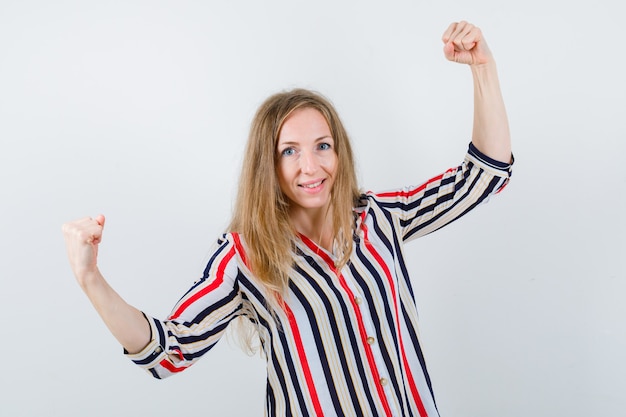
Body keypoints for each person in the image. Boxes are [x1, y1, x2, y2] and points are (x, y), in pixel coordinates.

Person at [62, 21, 512, 416]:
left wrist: (483, 68)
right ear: (269, 166)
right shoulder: (244, 256)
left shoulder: (379, 217)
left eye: (322, 145)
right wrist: (90, 278)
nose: (311, 167)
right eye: (289, 152)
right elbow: (168, 352)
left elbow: (483, 176)